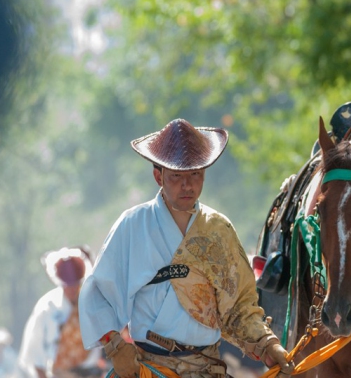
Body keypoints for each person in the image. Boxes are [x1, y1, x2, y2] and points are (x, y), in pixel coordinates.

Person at [78, 118, 293, 378]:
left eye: (195, 174)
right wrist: (115, 346)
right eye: (177, 176)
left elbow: (240, 307)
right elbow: (99, 293)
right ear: (158, 176)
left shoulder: (219, 229)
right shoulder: (132, 225)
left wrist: (267, 344)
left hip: (207, 368)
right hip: (147, 368)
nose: (188, 185)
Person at [18, 247, 105, 378]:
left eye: (75, 284)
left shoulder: (92, 303)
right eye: (67, 285)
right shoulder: (47, 306)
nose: (72, 289)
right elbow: (34, 352)